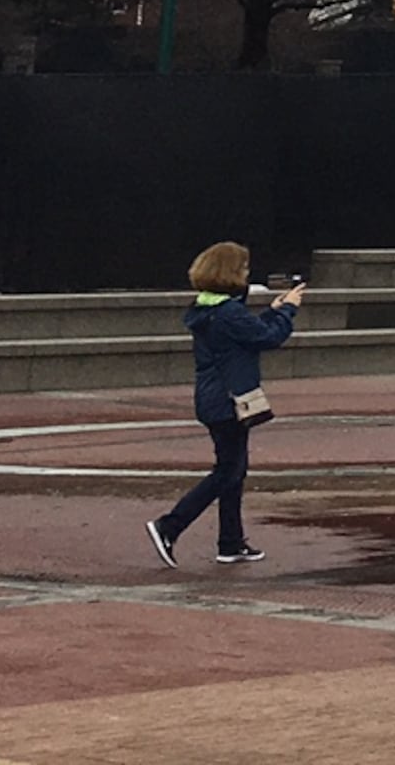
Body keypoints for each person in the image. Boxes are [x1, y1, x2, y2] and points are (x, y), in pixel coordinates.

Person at [149, 243, 299, 568]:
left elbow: (252, 331)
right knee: (227, 471)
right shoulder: (229, 313)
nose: (247, 275)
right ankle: (170, 525)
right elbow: (267, 338)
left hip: (213, 397)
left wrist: (273, 311)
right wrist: (287, 310)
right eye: (242, 270)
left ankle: (230, 542)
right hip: (229, 400)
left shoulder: (209, 309)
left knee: (234, 470)